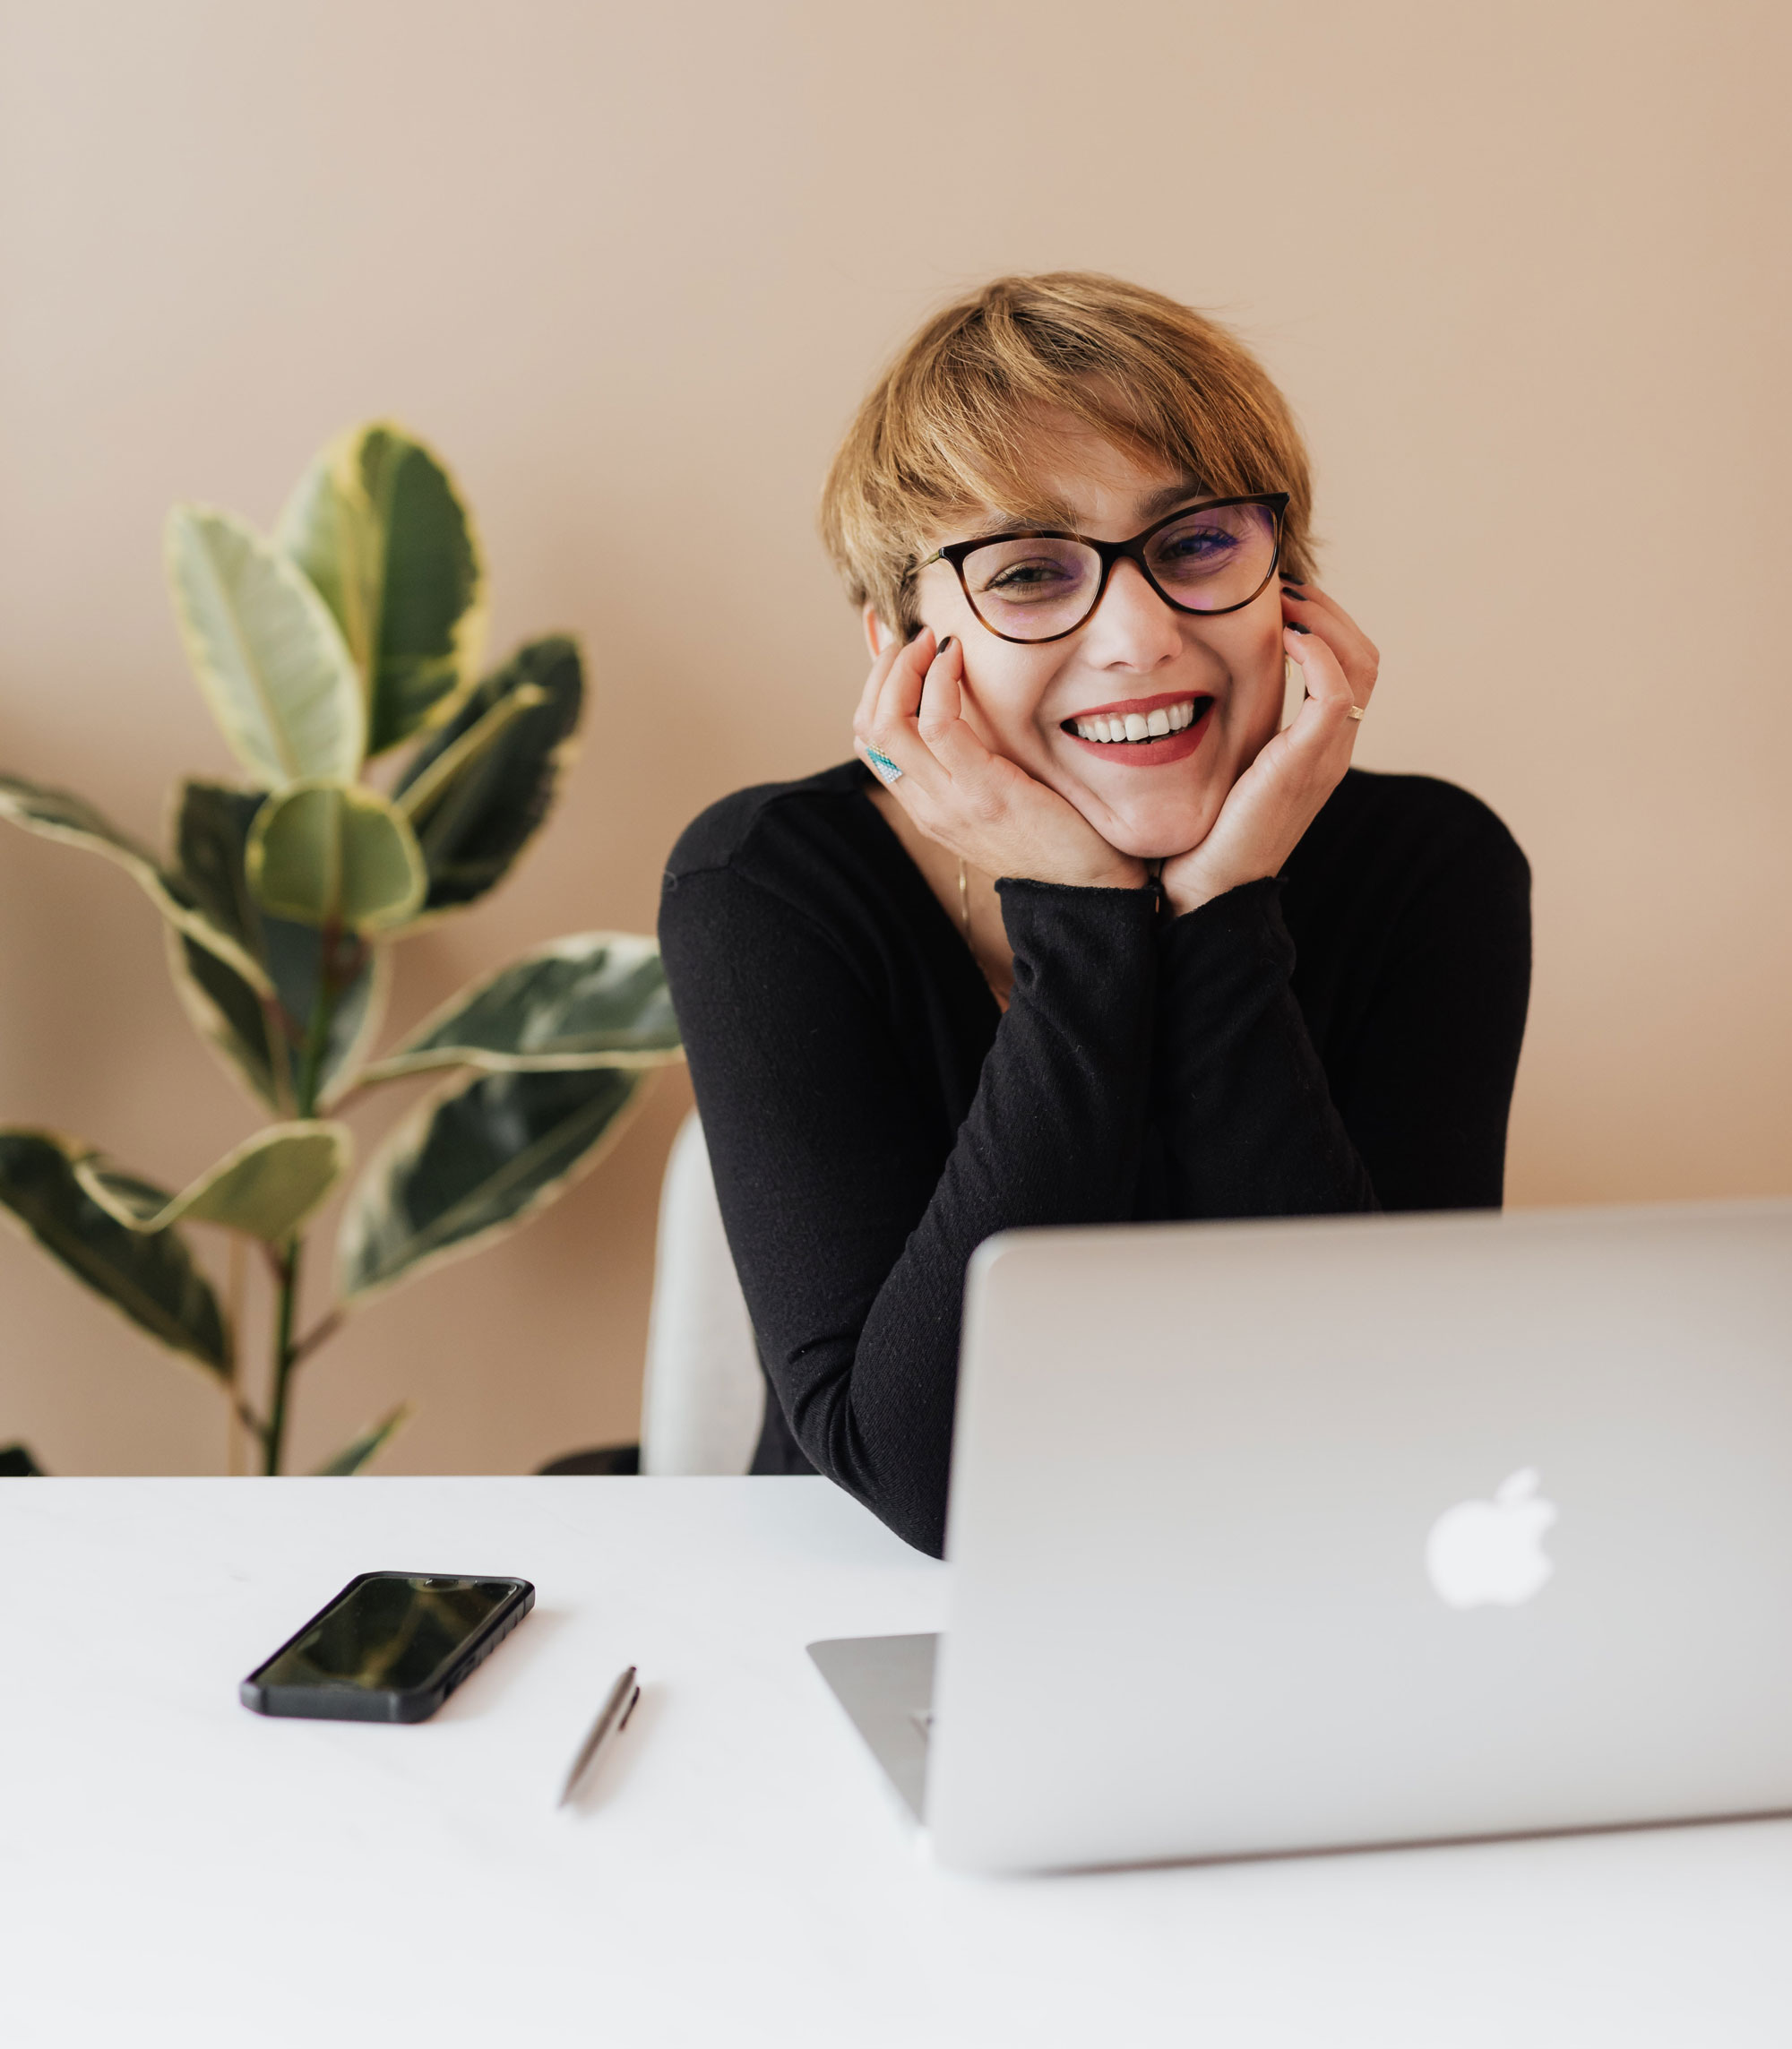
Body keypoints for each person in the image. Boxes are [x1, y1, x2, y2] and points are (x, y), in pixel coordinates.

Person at [659, 272, 1530, 1557]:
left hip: (1293, 1586)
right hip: (872, 1613)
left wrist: (1222, 911)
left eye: (1194, 546)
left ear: (1288, 583)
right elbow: (928, 1483)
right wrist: (1080, 918)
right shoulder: (768, 885)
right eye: (1026, 573)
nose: (1136, 636)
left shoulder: (1431, 866)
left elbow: (1391, 1417)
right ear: (903, 644)